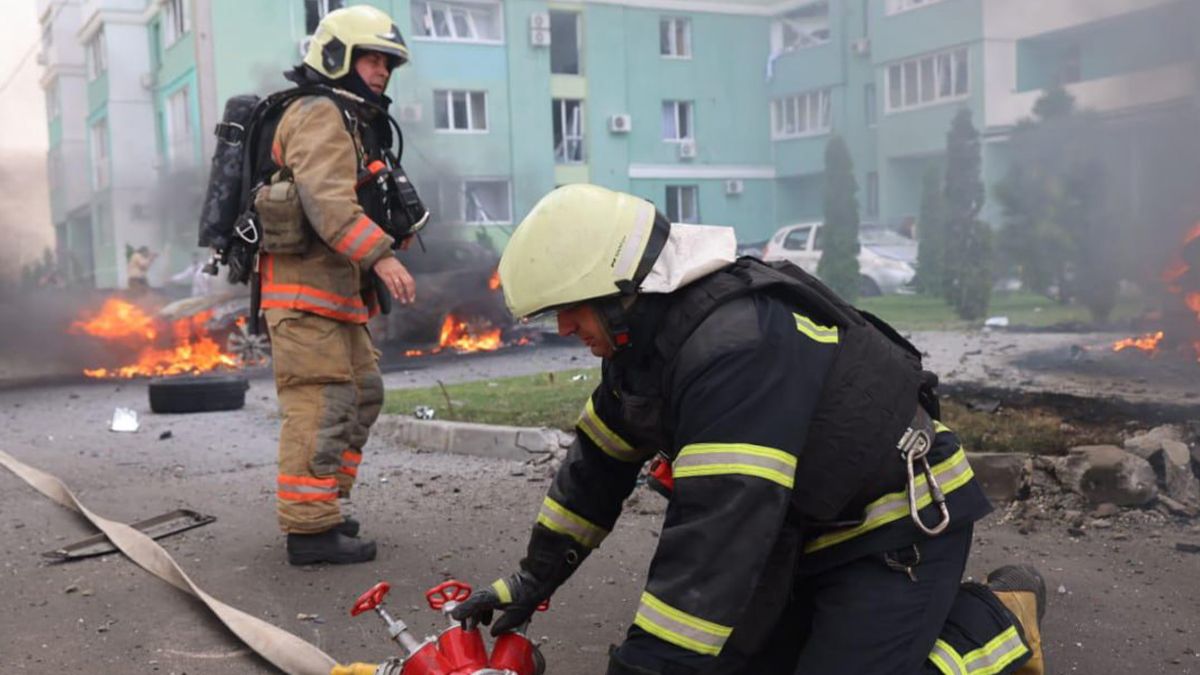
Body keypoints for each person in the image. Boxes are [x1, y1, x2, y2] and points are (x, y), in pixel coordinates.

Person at [451, 185, 1047, 675]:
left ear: (622, 293)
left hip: (891, 533)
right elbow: (597, 468)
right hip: (795, 536)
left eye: (571, 309)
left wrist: (645, 667)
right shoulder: (646, 350)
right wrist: (530, 580)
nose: (561, 328)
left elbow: (717, 534)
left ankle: (998, 619)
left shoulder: (737, 346)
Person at [262, 5, 417, 565]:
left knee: (362, 394)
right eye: (372, 58)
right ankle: (309, 533)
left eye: (387, 63)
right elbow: (326, 202)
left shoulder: (349, 118)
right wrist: (380, 257)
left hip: (332, 295)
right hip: (302, 297)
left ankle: (326, 506)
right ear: (337, 57)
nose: (381, 71)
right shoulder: (318, 113)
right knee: (320, 402)